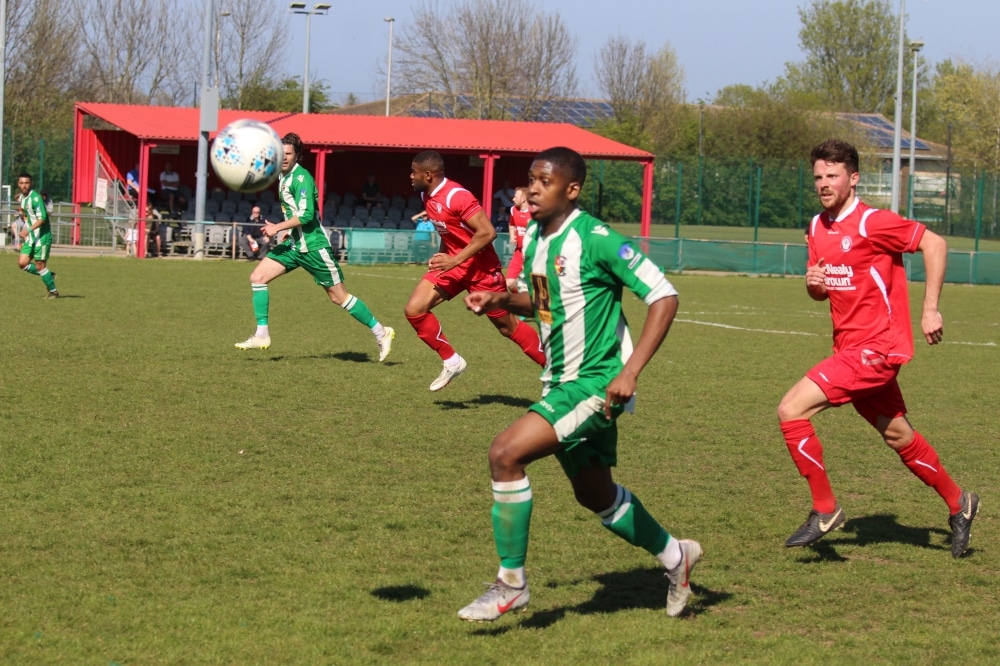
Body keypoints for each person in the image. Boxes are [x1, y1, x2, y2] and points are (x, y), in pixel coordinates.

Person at [459, 147, 699, 622]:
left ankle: (511, 584)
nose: (531, 189)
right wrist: (501, 299)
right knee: (595, 494)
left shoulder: (597, 239)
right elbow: (547, 306)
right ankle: (677, 556)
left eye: (543, 182)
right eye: (530, 180)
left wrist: (629, 372)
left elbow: (664, 296)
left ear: (572, 190)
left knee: (505, 454)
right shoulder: (537, 236)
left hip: (593, 384)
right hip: (559, 382)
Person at [777, 138, 979, 558]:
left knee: (791, 409)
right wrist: (812, 285)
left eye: (832, 176)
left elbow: (934, 244)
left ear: (853, 179)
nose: (824, 184)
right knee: (898, 434)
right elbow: (820, 287)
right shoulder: (816, 227)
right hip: (847, 350)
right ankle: (960, 504)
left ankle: (825, 509)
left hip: (877, 350)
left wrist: (930, 309)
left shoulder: (873, 222)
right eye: (818, 176)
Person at [234, 132, 395, 362]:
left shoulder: (302, 178)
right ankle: (262, 334)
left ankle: (382, 332)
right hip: (293, 246)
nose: (284, 158)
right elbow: (295, 212)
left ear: (297, 156)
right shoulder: (283, 177)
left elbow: (308, 215)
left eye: (289, 154)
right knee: (257, 277)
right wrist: (287, 230)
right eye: (281, 154)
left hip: (313, 248)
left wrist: (278, 226)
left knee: (339, 298)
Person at [405, 150, 546, 391]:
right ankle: (452, 361)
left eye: (414, 172)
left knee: (507, 327)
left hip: (481, 268)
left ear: (427, 175)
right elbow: (448, 231)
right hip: (455, 265)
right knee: (414, 309)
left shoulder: (457, 196)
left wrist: (454, 259)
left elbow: (488, 232)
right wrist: (444, 255)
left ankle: (560, 372)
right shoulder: (425, 195)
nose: (410, 176)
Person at [16, 172, 59, 298]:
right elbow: (25, 214)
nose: (24, 185)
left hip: (42, 236)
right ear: (19, 184)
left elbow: (43, 218)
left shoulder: (36, 198)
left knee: (40, 265)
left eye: (27, 183)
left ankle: (53, 291)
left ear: (31, 184)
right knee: (22, 263)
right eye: (22, 183)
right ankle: (48, 275)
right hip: (31, 237)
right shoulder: (22, 199)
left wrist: (28, 230)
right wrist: (26, 230)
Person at [505, 186, 531, 292]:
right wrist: (512, 235)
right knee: (510, 283)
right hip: (519, 252)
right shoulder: (513, 210)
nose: (513, 199)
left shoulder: (536, 213)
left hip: (532, 253)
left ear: (523, 199)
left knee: (532, 283)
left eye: (516, 197)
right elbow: (511, 224)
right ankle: (522, 303)